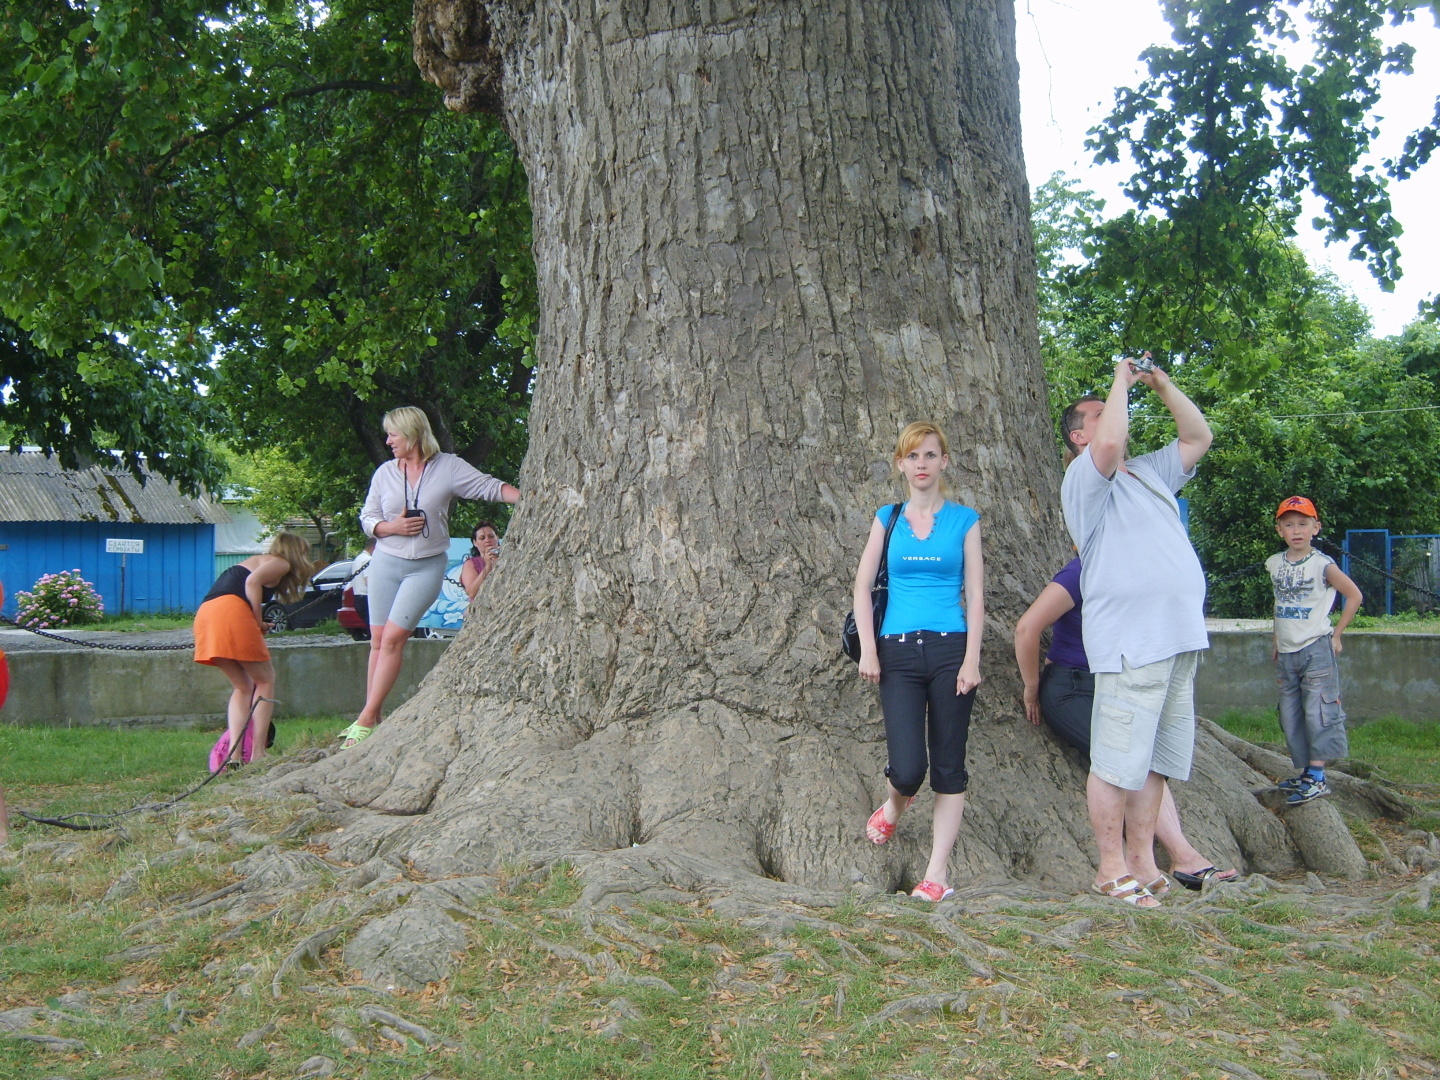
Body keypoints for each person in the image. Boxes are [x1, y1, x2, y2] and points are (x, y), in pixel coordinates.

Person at [1059, 355, 1213, 908]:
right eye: (1098, 415)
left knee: (1155, 761)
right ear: (1078, 435)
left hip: (1176, 639)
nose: (1112, 420)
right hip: (1130, 642)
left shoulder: (1149, 471)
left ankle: (1145, 862)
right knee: (1116, 761)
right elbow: (1106, 448)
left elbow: (1198, 436)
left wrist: (1163, 384)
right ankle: (1109, 867)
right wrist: (1121, 380)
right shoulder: (1084, 479)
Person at [1015, 557, 1238, 893]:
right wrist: (1032, 688)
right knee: (1129, 759)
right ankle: (1179, 858)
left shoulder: (1135, 571)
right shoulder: (1082, 571)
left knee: (1148, 758)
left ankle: (1173, 859)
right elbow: (1026, 628)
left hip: (1117, 685)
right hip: (1071, 688)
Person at [853, 421, 984, 903]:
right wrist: (869, 647)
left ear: (944, 461)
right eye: (913, 456)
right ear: (901, 464)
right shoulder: (887, 518)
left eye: (931, 455)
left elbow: (975, 595)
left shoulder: (965, 520)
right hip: (898, 652)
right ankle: (893, 807)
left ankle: (936, 873)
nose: (922, 464)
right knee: (908, 769)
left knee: (949, 766)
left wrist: (972, 659)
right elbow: (862, 587)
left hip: (952, 649)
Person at [340, 406, 520, 748]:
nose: (388, 440)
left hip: (425, 566)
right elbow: (368, 516)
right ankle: (373, 715)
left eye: (393, 433)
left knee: (393, 639)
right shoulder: (384, 473)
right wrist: (389, 527)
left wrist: (529, 497)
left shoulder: (448, 466)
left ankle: (363, 721)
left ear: (412, 434)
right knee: (377, 640)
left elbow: (488, 487)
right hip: (385, 563)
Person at [1268, 496, 1364, 805]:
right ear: (1279, 529)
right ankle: (1307, 771)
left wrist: (1337, 634)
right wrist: (1275, 639)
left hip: (1315, 649)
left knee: (1318, 711)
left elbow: (1354, 595)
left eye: (1303, 524)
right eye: (1289, 524)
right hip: (1287, 651)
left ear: (1316, 528)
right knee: (1292, 713)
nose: (1296, 530)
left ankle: (1319, 777)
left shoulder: (1323, 564)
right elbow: (1279, 604)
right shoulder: (1274, 563)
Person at [193, 532, 315, 769]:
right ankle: (258, 752)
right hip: (231, 611)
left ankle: (235, 756)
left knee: (242, 686)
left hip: (207, 613)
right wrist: (257, 621)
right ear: (295, 551)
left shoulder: (256, 560)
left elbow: (242, 585)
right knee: (266, 679)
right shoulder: (280, 561)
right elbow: (252, 583)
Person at [460, 521, 501, 600]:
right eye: (482, 538)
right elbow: (471, 593)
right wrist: (488, 566)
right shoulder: (470, 564)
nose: (487, 540)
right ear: (475, 543)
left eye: (491, 536)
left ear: (497, 538)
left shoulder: (508, 558)